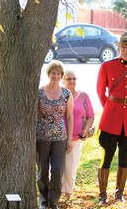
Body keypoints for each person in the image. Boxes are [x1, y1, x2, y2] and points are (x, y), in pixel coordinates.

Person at [36, 60, 73, 209]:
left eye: (58, 73)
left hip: (60, 138)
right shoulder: (39, 92)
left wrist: (69, 139)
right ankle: (43, 200)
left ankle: (54, 201)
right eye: (53, 73)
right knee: (42, 171)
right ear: (48, 74)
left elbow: (70, 116)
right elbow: (33, 115)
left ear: (61, 75)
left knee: (58, 170)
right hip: (41, 137)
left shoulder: (66, 93)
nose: (56, 76)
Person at [97, 31, 127, 205]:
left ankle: (119, 193)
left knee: (125, 156)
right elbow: (101, 92)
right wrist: (109, 109)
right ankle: (102, 194)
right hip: (111, 119)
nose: (125, 51)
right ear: (118, 48)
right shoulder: (108, 66)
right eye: (123, 47)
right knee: (106, 156)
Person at [61, 70, 95, 201]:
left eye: (74, 78)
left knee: (70, 169)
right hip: (59, 138)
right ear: (63, 81)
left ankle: (68, 196)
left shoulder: (83, 96)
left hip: (76, 139)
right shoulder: (59, 95)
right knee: (56, 169)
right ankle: (55, 194)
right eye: (68, 78)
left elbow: (91, 116)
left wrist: (85, 129)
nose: (72, 81)